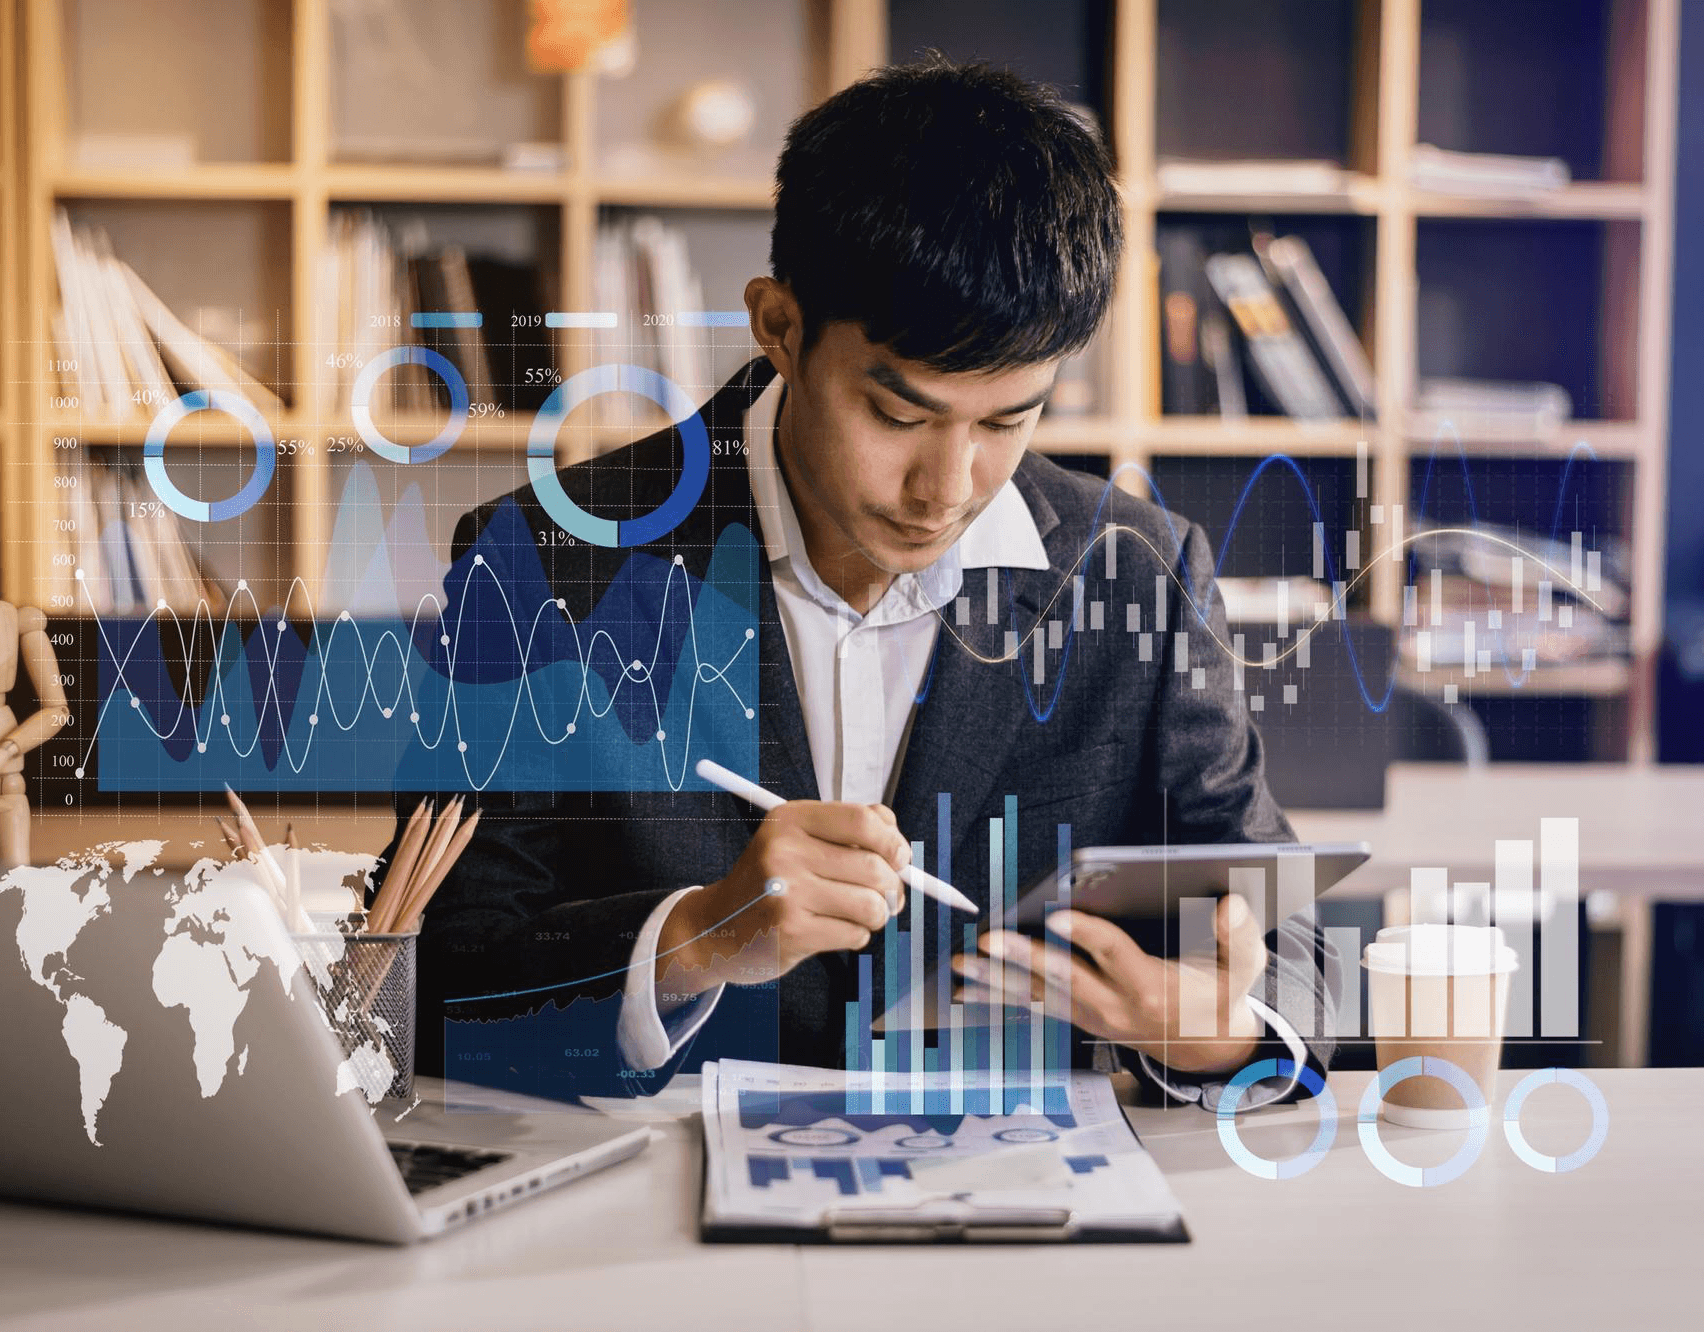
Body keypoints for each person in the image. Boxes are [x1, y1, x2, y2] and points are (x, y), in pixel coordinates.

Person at [392, 57, 1334, 1109]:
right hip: (652, 1190)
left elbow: (1286, 938)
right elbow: (430, 987)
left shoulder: (1138, 574)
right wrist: (694, 938)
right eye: (898, 415)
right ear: (778, 326)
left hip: (1022, 1186)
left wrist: (1216, 1031)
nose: (947, 487)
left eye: (1008, 421)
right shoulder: (537, 563)